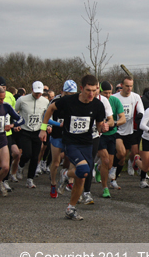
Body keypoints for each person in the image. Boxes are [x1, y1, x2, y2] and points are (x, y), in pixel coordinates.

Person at [39, 75, 105, 221]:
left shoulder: (97, 105)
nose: (91, 94)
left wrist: (103, 127)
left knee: (82, 177)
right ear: (81, 89)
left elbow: (99, 125)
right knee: (83, 170)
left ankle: (71, 208)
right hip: (71, 142)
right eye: (88, 90)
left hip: (87, 143)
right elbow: (50, 109)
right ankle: (65, 174)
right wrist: (43, 129)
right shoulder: (69, 101)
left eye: (94, 91)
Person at [109, 76, 144, 189]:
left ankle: (114, 180)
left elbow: (141, 110)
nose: (129, 88)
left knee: (122, 159)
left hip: (129, 130)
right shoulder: (114, 98)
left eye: (131, 86)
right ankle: (112, 169)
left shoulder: (136, 97)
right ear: (122, 85)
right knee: (122, 152)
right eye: (127, 86)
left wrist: (140, 115)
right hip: (116, 128)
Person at [15, 81, 49, 188]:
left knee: (35, 157)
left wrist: (48, 126)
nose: (38, 95)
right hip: (25, 130)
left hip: (37, 131)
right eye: (36, 93)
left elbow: (47, 115)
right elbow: (15, 112)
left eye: (40, 93)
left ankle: (30, 179)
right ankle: (20, 166)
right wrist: (16, 124)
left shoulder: (45, 101)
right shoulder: (22, 99)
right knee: (27, 154)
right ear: (32, 90)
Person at [97, 81, 126, 198]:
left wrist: (114, 123)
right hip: (100, 135)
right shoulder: (97, 101)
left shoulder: (115, 101)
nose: (108, 95)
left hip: (112, 134)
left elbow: (123, 118)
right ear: (100, 91)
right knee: (105, 161)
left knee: (109, 165)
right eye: (105, 93)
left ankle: (98, 168)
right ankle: (105, 188)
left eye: (109, 93)